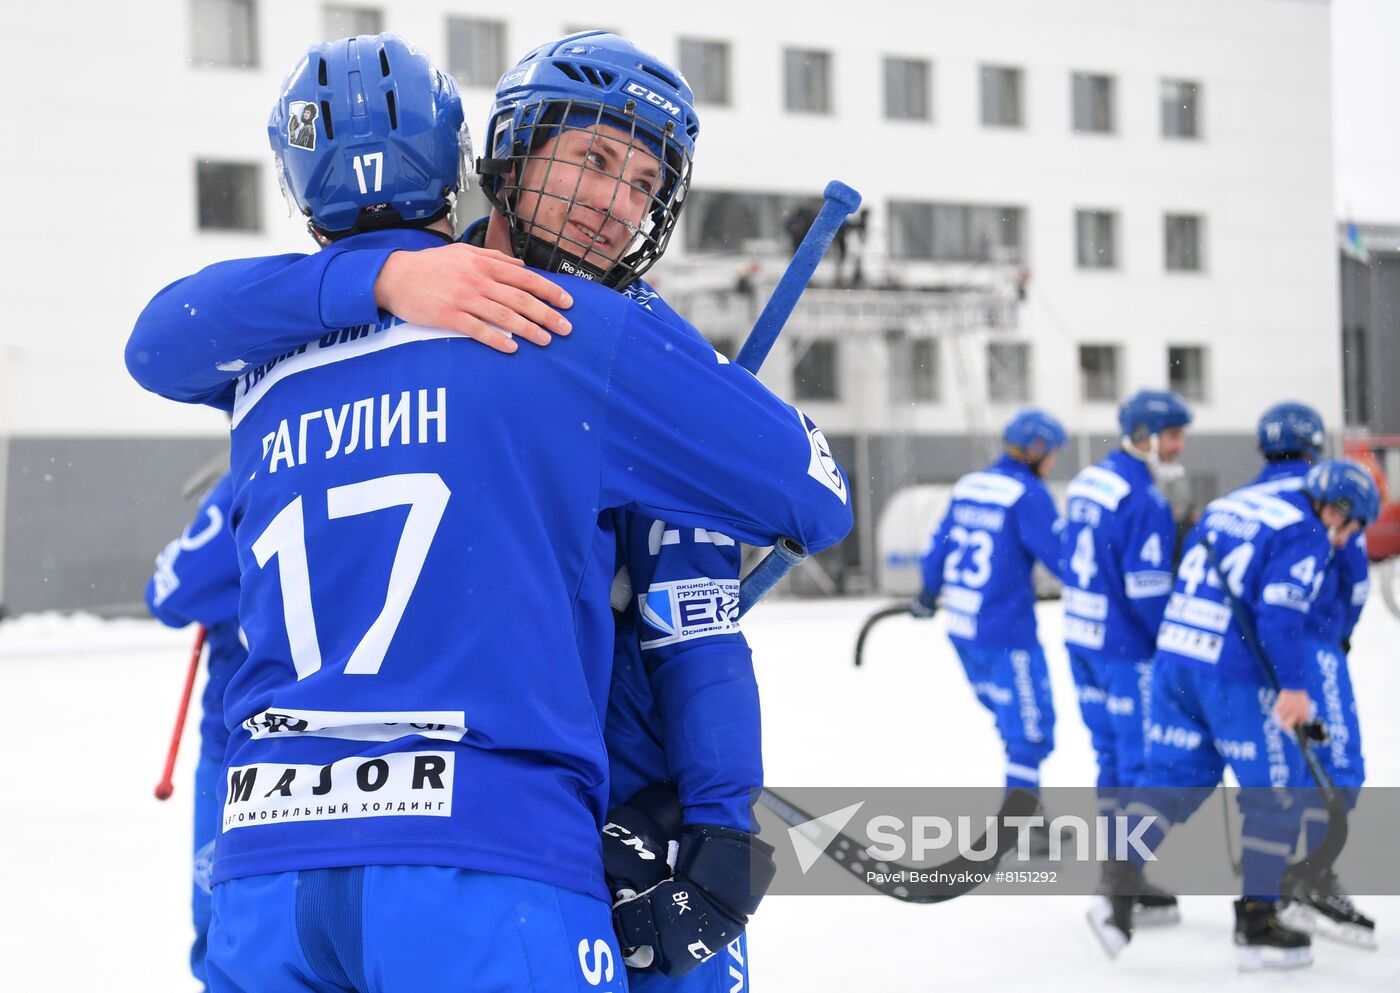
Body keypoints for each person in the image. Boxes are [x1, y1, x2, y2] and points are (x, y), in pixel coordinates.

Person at [127, 33, 852, 993]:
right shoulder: (576, 332)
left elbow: (157, 343)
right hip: (488, 855)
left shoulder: (273, 363)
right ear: (501, 157)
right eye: (594, 159)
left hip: (275, 864)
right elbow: (809, 496)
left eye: (643, 183)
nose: (616, 202)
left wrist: (375, 277)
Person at [1090, 459, 1378, 970]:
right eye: (1352, 528)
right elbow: (1280, 613)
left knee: (1169, 782)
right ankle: (1257, 923)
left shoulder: (1230, 505)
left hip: (1176, 660)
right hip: (1233, 671)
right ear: (1337, 511)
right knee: (1274, 793)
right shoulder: (1306, 531)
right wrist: (1293, 687)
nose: (1344, 541)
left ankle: (1117, 883)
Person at [1247, 403, 1377, 946]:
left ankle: (1274, 872)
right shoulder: (1333, 496)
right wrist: (1337, 635)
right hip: (1311, 640)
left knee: (1282, 764)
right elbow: (1354, 578)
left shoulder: (1247, 495)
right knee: (1338, 760)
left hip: (1251, 649)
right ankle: (1312, 875)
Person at [1061, 389, 1190, 921]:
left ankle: (1116, 869)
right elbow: (1147, 589)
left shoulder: (1088, 479)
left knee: (1110, 758)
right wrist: (1173, 643)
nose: (1180, 446)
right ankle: (1124, 879)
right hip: (1125, 649)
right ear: (1144, 437)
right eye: (1173, 435)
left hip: (1081, 637)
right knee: (1138, 762)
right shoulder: (1145, 499)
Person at [910, 410, 1066, 802]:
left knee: (1012, 725)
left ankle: (1030, 819)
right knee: (1029, 732)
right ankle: (1021, 827)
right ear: (1036, 450)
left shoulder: (970, 485)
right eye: (1053, 453)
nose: (1054, 462)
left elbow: (936, 553)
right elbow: (1062, 559)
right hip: (1007, 635)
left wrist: (928, 595)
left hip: (964, 631)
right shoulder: (1026, 494)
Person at [144, 472, 241, 993]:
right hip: (379, 744)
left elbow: (172, 590)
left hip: (241, 753)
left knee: (227, 929)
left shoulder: (251, 477)